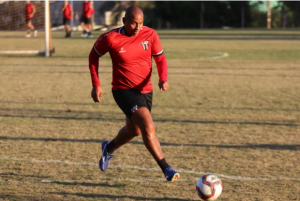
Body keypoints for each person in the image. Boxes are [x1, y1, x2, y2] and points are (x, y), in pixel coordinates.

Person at [88, 6, 180, 182]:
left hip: (146, 90)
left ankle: (109, 148)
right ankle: (166, 168)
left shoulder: (150, 35)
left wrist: (163, 78)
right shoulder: (110, 38)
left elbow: (160, 58)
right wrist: (96, 84)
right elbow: (93, 57)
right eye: (133, 23)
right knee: (148, 126)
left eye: (141, 23)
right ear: (124, 21)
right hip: (123, 90)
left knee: (134, 131)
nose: (138, 27)